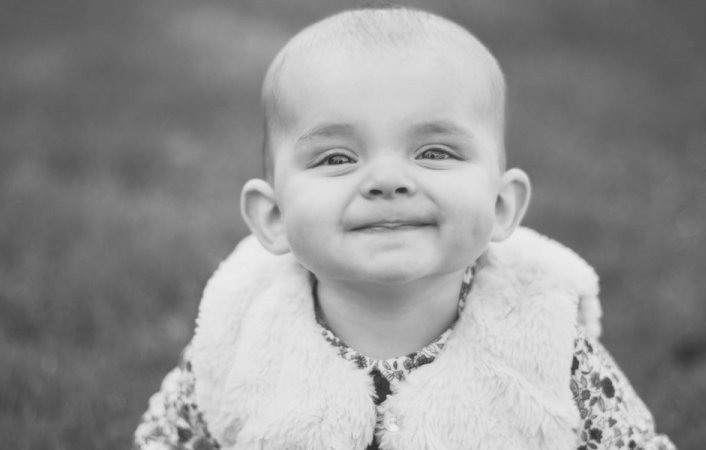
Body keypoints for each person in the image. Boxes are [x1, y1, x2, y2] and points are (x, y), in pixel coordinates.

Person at [133, 6, 675, 450]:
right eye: (337, 158)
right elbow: (165, 437)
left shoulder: (544, 340)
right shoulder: (243, 330)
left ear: (502, 205)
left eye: (434, 151)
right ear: (273, 219)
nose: (387, 180)